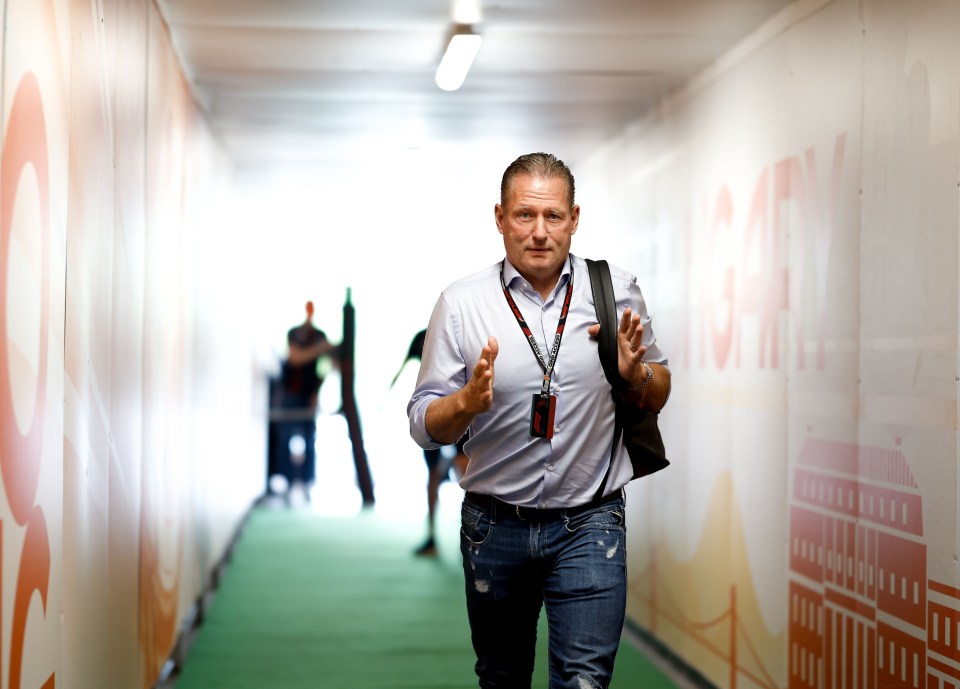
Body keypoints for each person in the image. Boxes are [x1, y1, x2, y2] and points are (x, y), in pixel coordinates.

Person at [407, 152, 670, 688]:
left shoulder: (614, 291)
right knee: (502, 677)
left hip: (591, 524)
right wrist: (465, 403)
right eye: (525, 215)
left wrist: (635, 373)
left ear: (575, 219)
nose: (539, 232)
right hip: (494, 524)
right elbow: (421, 423)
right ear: (500, 218)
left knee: (584, 679)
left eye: (553, 217)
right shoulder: (460, 304)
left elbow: (660, 390)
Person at [393, 329, 469, 556]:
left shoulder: (455, 334)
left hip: (457, 412)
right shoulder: (426, 336)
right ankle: (432, 537)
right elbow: (404, 366)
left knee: (464, 474)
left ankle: (471, 535)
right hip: (435, 414)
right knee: (438, 475)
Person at [276, 300, 337, 498]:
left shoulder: (320, 335)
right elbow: (295, 357)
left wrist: (316, 392)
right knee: (285, 439)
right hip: (290, 395)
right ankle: (287, 481)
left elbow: (327, 366)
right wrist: (319, 349)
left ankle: (307, 482)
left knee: (309, 440)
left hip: (308, 396)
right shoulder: (294, 333)